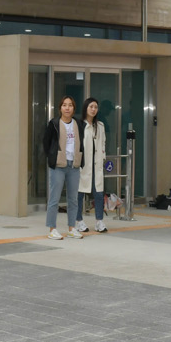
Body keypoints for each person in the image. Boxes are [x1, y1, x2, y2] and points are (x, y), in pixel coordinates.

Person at [40, 97, 86, 239]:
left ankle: (72, 228)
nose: (67, 108)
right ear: (60, 108)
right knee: (54, 198)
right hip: (58, 166)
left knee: (73, 199)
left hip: (74, 165)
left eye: (70, 105)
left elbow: (81, 142)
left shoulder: (78, 124)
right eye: (64, 105)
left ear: (73, 108)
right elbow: (46, 142)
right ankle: (52, 229)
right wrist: (52, 157)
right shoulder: (54, 123)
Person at [80, 97, 110, 233]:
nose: (93, 109)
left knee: (98, 193)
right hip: (83, 165)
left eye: (95, 107)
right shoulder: (80, 125)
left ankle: (99, 221)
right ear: (86, 108)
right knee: (80, 193)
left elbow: (103, 143)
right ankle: (78, 221)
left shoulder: (100, 125)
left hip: (96, 164)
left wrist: (103, 157)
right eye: (91, 107)